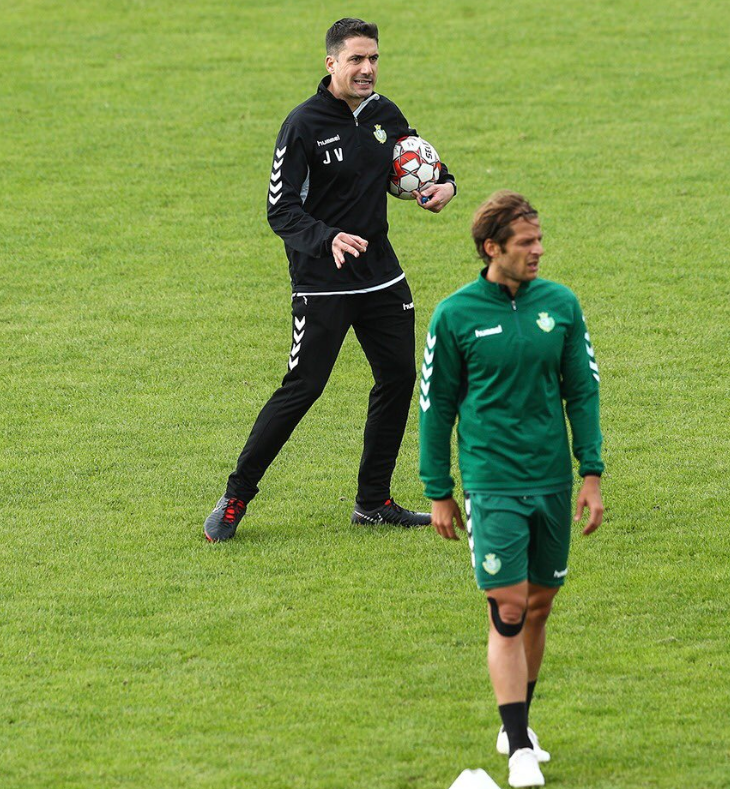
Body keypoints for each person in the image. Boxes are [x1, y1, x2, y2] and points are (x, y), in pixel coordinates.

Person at [204, 18, 456, 541]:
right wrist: (328, 239)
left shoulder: (385, 114)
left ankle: (373, 502)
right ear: (331, 64)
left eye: (374, 58)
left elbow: (418, 159)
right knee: (303, 388)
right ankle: (235, 498)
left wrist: (446, 185)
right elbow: (280, 209)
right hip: (322, 282)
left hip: (382, 277)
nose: (367, 69)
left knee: (399, 378)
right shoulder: (303, 124)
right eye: (356, 59)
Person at [419, 191, 604, 788]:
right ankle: (520, 745)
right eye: (525, 243)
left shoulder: (562, 305)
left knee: (541, 607)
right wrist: (438, 489)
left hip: (551, 479)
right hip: (492, 482)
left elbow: (583, 391)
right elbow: (436, 406)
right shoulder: (455, 316)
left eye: (540, 239)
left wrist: (591, 473)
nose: (538, 251)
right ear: (490, 248)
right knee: (508, 606)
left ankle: (515, 719)